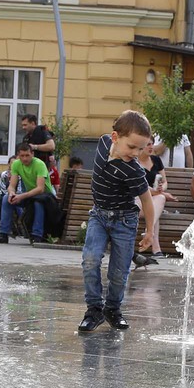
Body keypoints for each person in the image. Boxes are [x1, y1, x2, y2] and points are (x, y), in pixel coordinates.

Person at [78, 110, 154, 333]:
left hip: (125, 221)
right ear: (114, 137)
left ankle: (112, 309)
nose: (136, 153)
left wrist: (150, 232)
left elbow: (147, 202)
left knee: (119, 272)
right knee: (90, 259)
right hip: (99, 215)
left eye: (141, 148)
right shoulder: (102, 143)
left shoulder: (134, 171)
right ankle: (94, 309)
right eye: (132, 147)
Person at [0, 143, 55, 245]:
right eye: (22, 156)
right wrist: (12, 193)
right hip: (30, 195)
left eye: (27, 155)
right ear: (18, 156)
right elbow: (12, 185)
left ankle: (37, 236)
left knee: (38, 202)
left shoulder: (40, 164)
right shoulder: (16, 164)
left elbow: (40, 189)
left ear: (32, 154)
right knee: (6, 199)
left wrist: (21, 196)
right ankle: (3, 234)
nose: (25, 159)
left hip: (46, 197)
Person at [136, 137, 176, 258]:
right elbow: (139, 188)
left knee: (159, 201)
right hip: (136, 201)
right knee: (155, 206)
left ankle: (149, 230)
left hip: (151, 200)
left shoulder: (156, 160)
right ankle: (156, 248)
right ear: (141, 146)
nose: (151, 147)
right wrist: (160, 193)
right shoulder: (134, 162)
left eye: (152, 144)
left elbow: (165, 182)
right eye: (148, 144)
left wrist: (161, 190)